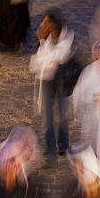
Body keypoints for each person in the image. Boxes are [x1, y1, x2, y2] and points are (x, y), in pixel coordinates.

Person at [30, 11, 75, 165]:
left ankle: (63, 144)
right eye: (43, 23)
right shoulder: (45, 39)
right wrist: (43, 43)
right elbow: (34, 64)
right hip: (47, 81)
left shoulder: (67, 36)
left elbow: (59, 57)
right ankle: (50, 153)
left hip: (62, 80)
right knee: (46, 119)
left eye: (47, 23)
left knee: (64, 116)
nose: (44, 26)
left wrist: (44, 51)